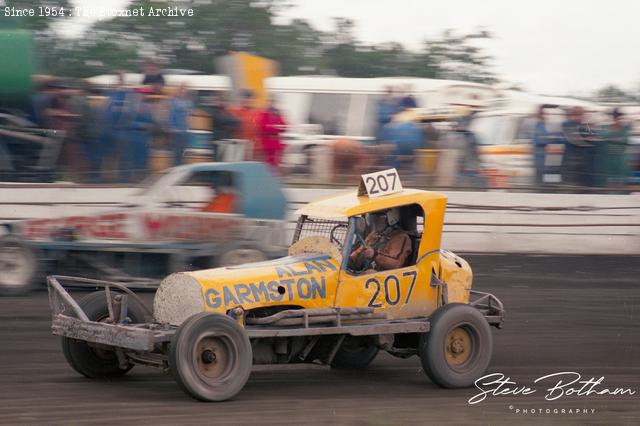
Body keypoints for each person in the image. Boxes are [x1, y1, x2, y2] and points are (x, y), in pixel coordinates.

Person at [349, 208, 412, 273]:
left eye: (379, 217)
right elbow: (358, 252)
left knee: (370, 272)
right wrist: (351, 258)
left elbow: (396, 264)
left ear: (391, 218)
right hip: (367, 272)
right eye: (373, 217)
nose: (375, 221)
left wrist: (374, 254)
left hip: (387, 276)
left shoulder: (400, 237)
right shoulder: (374, 234)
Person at [602, 108, 630, 189]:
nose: (616, 119)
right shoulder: (607, 128)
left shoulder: (624, 129)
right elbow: (604, 138)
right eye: (615, 117)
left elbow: (625, 140)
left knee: (620, 179)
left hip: (620, 158)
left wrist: (612, 139)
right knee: (609, 180)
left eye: (618, 117)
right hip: (609, 158)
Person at [229, 90, 260, 160]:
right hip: (238, 144)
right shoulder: (233, 111)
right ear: (241, 99)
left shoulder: (257, 112)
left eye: (250, 98)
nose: (247, 100)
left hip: (253, 145)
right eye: (245, 98)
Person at [258, 98, 287, 170]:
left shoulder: (278, 113)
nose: (271, 104)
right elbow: (263, 127)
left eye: (272, 102)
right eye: (269, 102)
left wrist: (272, 127)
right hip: (266, 143)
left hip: (275, 143)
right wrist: (275, 127)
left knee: (274, 164)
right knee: (266, 163)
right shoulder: (264, 114)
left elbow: (284, 127)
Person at [168, 84, 193, 166]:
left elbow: (189, 115)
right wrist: (172, 127)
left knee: (183, 152)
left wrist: (188, 127)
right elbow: (171, 115)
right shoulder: (174, 101)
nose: (184, 92)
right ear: (179, 91)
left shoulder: (188, 102)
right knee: (176, 153)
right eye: (182, 90)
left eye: (185, 91)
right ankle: (174, 170)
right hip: (177, 131)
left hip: (185, 130)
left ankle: (180, 169)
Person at [533, 106, 551, 186]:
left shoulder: (540, 125)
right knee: (539, 176)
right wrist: (547, 141)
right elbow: (540, 140)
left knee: (540, 175)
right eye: (544, 114)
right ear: (540, 115)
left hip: (540, 155)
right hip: (539, 155)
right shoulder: (539, 126)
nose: (545, 116)